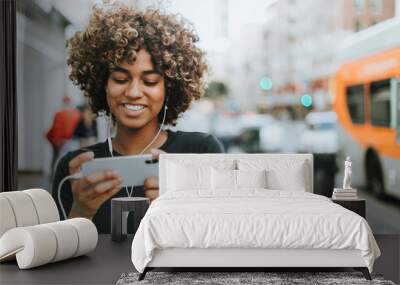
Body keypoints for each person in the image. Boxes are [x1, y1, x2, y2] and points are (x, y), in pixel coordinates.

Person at [52, 3, 224, 234]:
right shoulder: (74, 167)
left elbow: (223, 236)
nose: (133, 92)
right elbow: (58, 260)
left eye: (150, 81)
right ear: (102, 84)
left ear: (169, 88)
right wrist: (81, 210)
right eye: (120, 79)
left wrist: (183, 209)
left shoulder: (202, 152)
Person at [46, 95, 81, 176]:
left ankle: (54, 176)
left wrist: (53, 140)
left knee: (56, 159)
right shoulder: (76, 114)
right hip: (71, 141)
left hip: (60, 141)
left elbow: (55, 129)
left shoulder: (59, 114)